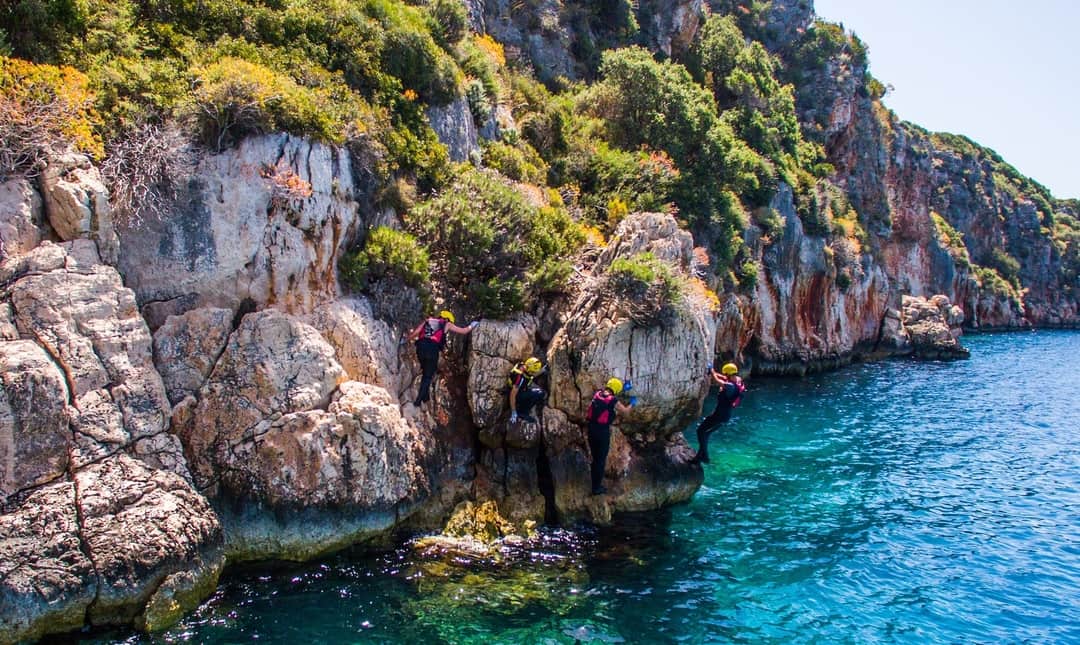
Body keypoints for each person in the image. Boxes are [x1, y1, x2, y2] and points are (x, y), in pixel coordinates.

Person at [406, 310, 477, 406]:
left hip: (420, 347)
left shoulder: (428, 320)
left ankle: (425, 396)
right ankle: (418, 401)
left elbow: (417, 332)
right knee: (428, 375)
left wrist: (406, 340)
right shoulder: (447, 324)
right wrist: (473, 324)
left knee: (425, 370)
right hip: (432, 349)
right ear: (448, 319)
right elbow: (464, 331)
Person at [585, 377, 637, 495]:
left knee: (595, 458)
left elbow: (611, 395)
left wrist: (622, 388)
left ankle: (594, 483)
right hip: (602, 432)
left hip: (591, 429)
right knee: (600, 460)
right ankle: (596, 488)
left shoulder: (598, 394)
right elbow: (625, 412)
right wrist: (632, 404)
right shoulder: (613, 400)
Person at [689, 362, 745, 464]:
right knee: (704, 433)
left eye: (726, 374)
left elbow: (717, 381)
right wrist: (713, 371)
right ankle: (700, 457)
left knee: (701, 432)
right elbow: (723, 377)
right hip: (723, 416)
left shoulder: (730, 386)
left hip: (720, 416)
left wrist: (711, 371)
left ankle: (704, 457)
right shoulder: (737, 380)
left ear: (728, 374)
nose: (725, 376)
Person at [508, 357, 546, 424]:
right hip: (517, 395)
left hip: (522, 388)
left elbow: (531, 376)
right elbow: (512, 395)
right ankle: (522, 412)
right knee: (540, 393)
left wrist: (542, 370)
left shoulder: (522, 366)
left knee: (539, 391)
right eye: (533, 372)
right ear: (529, 370)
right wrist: (513, 412)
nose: (533, 373)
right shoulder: (519, 378)